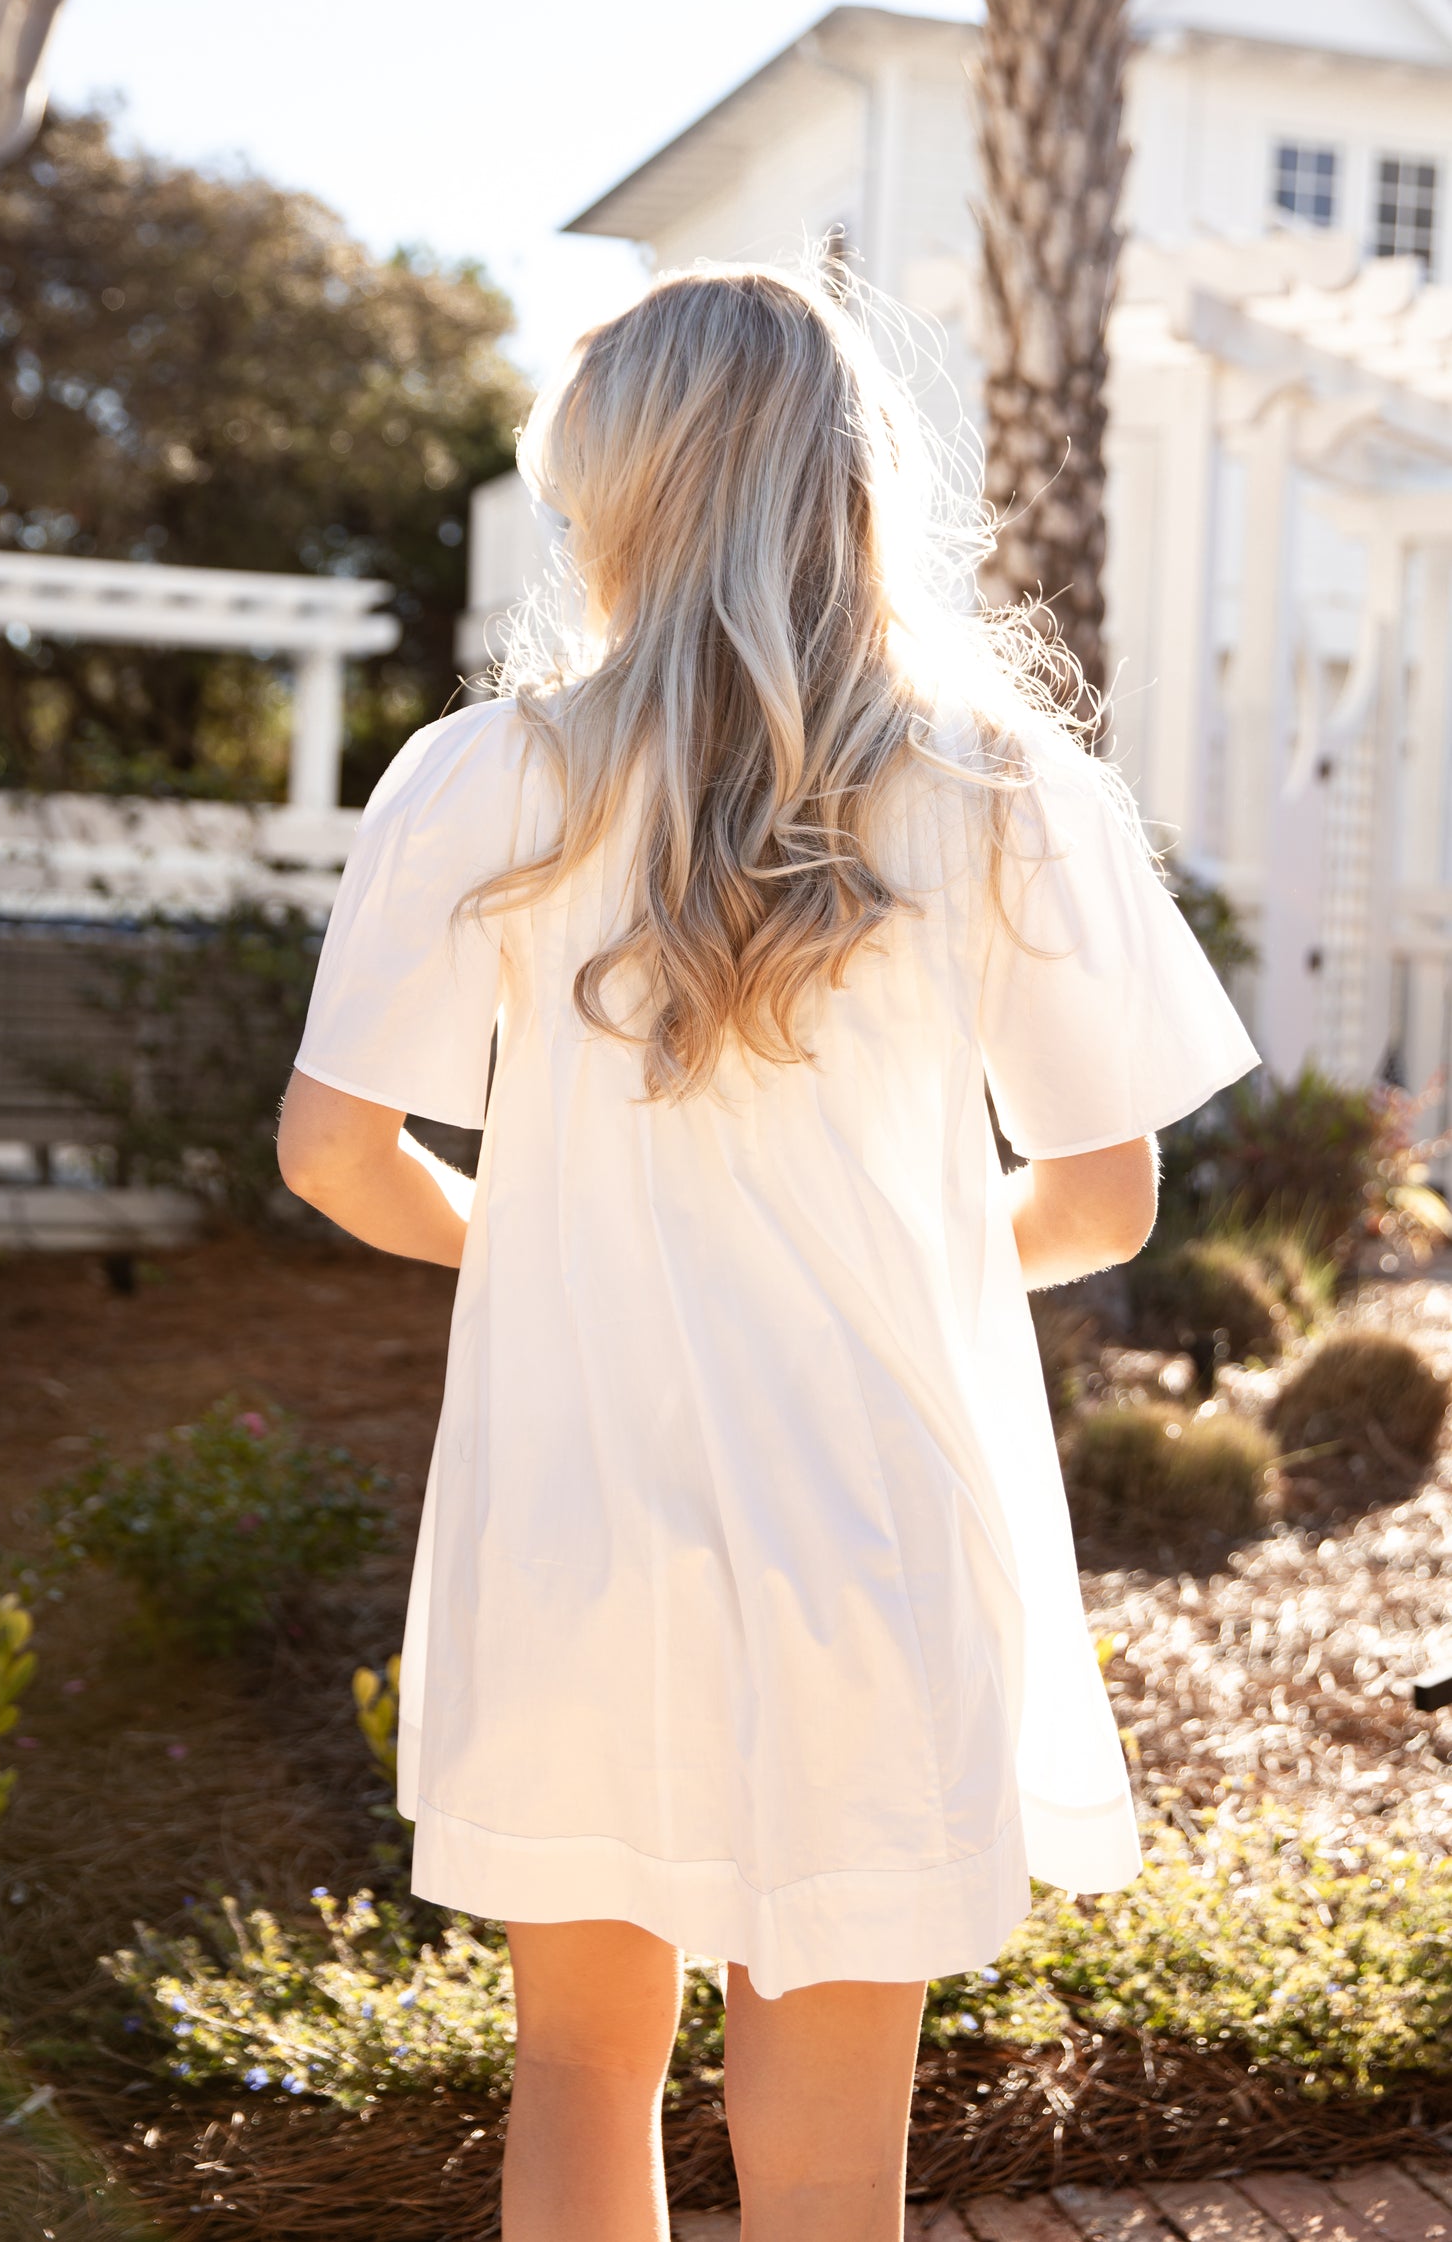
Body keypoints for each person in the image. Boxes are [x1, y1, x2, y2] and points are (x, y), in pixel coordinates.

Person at [277, 263, 1258, 2242]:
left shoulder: (485, 779)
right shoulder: (1002, 788)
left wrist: (543, 1257)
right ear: (851, 481)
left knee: (576, 2076)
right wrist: (871, 1262)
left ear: (619, 492)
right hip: (870, 1533)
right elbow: (1103, 1196)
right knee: (829, 2171)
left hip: (574, 1525)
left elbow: (331, 1152)